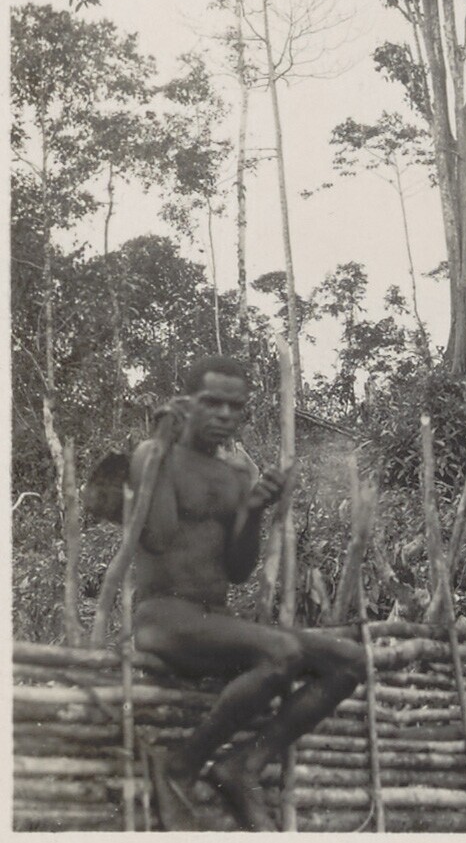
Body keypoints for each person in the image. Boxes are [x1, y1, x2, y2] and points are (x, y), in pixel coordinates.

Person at [130, 354, 365, 831]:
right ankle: (182, 764)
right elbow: (155, 537)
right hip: (162, 618)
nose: (223, 415)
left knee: (349, 661)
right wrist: (161, 444)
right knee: (280, 652)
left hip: (213, 619)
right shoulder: (152, 455)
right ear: (186, 403)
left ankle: (244, 766)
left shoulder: (235, 475)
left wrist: (255, 508)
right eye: (211, 402)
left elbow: (237, 571)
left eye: (234, 407)